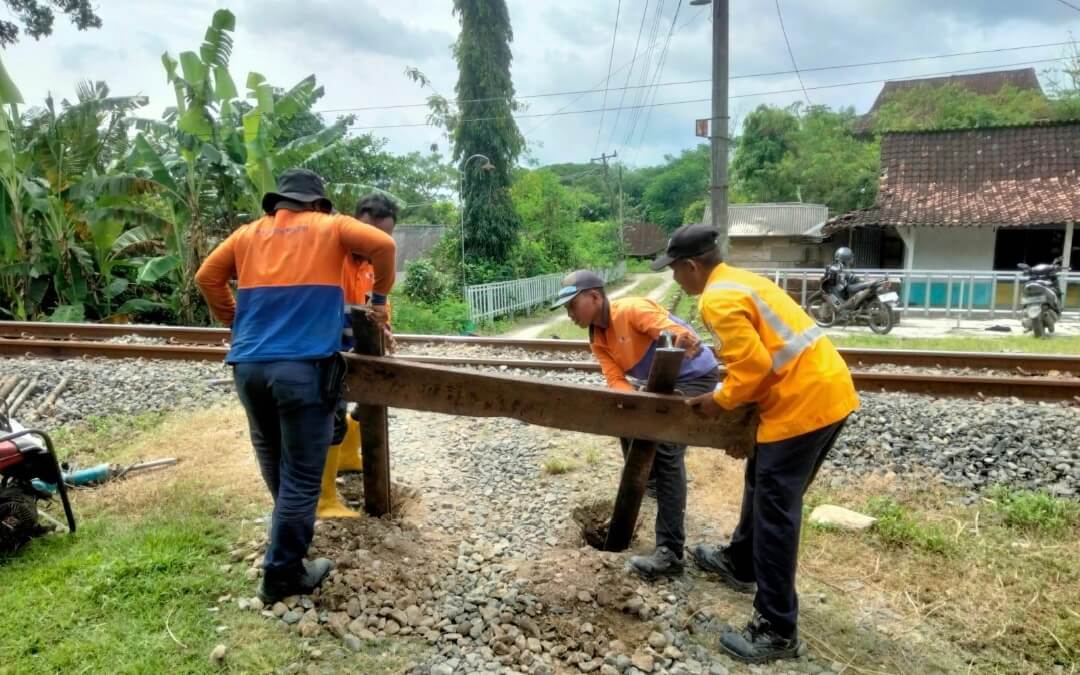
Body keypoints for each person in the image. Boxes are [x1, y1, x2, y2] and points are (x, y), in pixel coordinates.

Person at [651, 223, 859, 663]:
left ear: (691, 266)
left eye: (674, 270)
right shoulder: (740, 280)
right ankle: (741, 562)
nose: (674, 280)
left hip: (803, 405)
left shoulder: (718, 298)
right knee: (760, 481)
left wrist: (718, 401)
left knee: (775, 514)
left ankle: (776, 628)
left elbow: (754, 368)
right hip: (823, 390)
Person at [195, 169, 396, 603]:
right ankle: (282, 573)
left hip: (248, 368)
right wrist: (379, 301)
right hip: (302, 370)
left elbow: (206, 277)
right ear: (319, 204)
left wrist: (234, 319)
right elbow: (384, 245)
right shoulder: (332, 226)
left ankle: (286, 542)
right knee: (302, 478)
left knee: (277, 466)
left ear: (278, 203)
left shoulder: (248, 234)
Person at [552, 270, 720, 579]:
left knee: (667, 448)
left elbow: (669, 332)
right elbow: (616, 380)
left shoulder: (631, 310)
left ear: (595, 297)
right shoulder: (597, 337)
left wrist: (683, 339)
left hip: (695, 377)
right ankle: (653, 484)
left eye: (572, 305)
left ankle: (670, 553)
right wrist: (635, 410)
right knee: (627, 418)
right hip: (660, 381)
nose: (569, 313)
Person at [316, 193, 400, 519]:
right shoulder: (328, 253)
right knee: (333, 417)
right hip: (326, 351)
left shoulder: (372, 266)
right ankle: (324, 499)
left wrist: (385, 328)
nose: (372, 245)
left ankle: (350, 456)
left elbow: (378, 306)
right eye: (369, 234)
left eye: (382, 238)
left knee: (375, 398)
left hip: (356, 351)